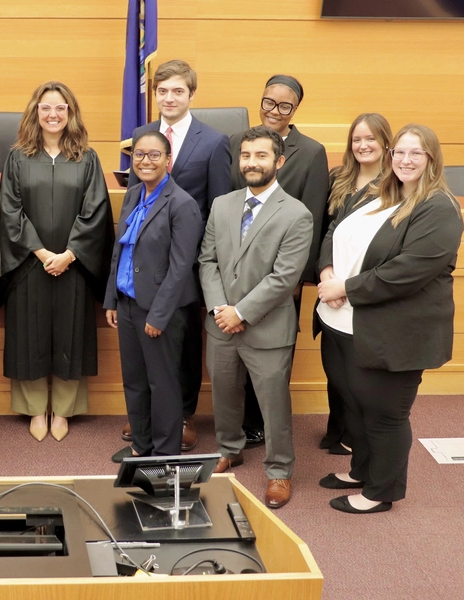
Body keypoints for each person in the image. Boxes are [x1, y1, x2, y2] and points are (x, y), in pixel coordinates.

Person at [315, 124, 463, 514]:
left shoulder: (439, 207)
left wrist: (344, 287)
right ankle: (361, 470)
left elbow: (406, 271)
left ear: (432, 159)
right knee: (357, 405)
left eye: (417, 153)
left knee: (384, 413)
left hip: (397, 331)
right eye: (400, 152)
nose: (406, 160)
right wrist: (328, 270)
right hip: (352, 323)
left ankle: (380, 492)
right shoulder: (383, 195)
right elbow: (336, 229)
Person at [200, 126, 312, 509]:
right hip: (221, 323)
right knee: (225, 393)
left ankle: (279, 471)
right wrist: (220, 309)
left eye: (261, 156)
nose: (252, 162)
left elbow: (285, 278)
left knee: (272, 404)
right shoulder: (222, 204)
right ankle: (229, 448)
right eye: (246, 156)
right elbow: (207, 261)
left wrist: (241, 312)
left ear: (278, 162)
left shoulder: (297, 214)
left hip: (266, 328)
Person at [124, 59, 232, 451]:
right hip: (145, 263)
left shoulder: (215, 141)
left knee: (182, 348)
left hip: (187, 266)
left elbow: (219, 209)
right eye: (162, 91)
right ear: (154, 95)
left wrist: (203, 265)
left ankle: (183, 415)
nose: (169, 98)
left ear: (191, 95)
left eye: (177, 91)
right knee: (146, 359)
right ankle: (151, 421)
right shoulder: (142, 134)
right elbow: (138, 197)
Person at [0, 81, 112, 443]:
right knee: (28, 336)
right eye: (45, 107)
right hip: (29, 263)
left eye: (60, 108)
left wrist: (68, 254)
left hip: (73, 264)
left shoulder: (87, 158)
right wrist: (42, 252)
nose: (53, 114)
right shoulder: (18, 157)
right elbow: (10, 211)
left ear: (70, 113)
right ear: (35, 112)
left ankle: (63, 410)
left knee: (70, 333)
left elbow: (95, 210)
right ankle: (35, 408)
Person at [229, 74, 329, 448]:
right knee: (235, 349)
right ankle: (238, 423)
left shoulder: (312, 152)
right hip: (238, 269)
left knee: (272, 354)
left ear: (295, 110)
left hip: (282, 275)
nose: (274, 111)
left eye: (284, 106)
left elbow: (314, 216)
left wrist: (297, 281)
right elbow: (227, 200)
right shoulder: (239, 142)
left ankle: (264, 424)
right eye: (268, 102)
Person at [106, 130, 203, 462]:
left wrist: (158, 316)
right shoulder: (133, 194)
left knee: (162, 385)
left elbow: (180, 269)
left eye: (153, 155)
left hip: (161, 311)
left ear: (168, 160)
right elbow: (120, 252)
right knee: (134, 381)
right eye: (139, 155)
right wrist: (111, 299)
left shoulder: (182, 204)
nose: (145, 161)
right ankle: (141, 445)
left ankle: (164, 453)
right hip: (128, 304)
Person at [319, 113, 393, 456]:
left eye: (370, 139)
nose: (363, 146)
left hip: (360, 292)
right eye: (356, 140)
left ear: (385, 143)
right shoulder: (338, 178)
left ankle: (357, 439)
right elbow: (327, 230)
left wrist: (345, 286)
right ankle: (340, 430)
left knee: (356, 379)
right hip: (330, 287)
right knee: (335, 373)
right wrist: (326, 273)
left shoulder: (395, 185)